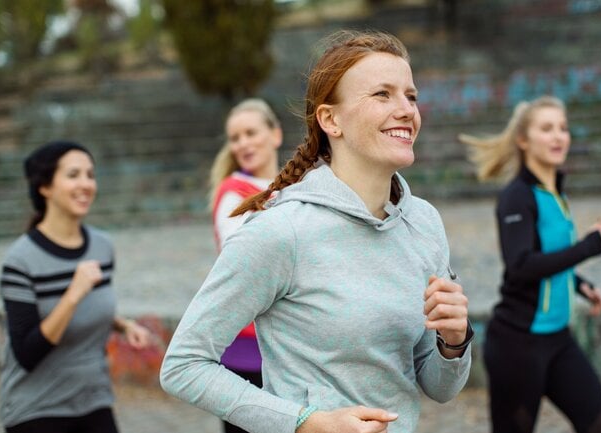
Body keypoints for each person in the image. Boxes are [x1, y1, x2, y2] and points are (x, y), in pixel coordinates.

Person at [161, 30, 474, 433]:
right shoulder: (281, 230)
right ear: (330, 120)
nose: (406, 110)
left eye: (410, 96)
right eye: (382, 94)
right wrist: (306, 423)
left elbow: (439, 387)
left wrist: (453, 342)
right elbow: (182, 365)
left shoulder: (425, 222)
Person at [459, 96, 601, 433]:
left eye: (563, 128)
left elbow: (548, 258)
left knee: (598, 424)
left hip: (559, 340)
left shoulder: (556, 192)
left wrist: (579, 285)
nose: (558, 136)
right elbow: (521, 265)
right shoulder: (516, 196)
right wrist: (591, 245)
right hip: (518, 345)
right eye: (546, 128)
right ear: (523, 140)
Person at [0, 141, 151, 433]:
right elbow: (27, 353)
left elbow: (91, 308)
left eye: (90, 175)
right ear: (45, 187)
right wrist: (73, 293)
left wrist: (124, 325)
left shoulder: (102, 247)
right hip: (37, 408)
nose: (86, 184)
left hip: (93, 400)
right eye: (73, 175)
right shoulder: (21, 260)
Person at [208, 98, 283, 433]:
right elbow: (240, 262)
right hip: (245, 347)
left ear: (275, 135)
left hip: (286, 344)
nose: (243, 144)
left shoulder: (296, 187)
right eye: (235, 137)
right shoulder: (234, 193)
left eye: (251, 133)